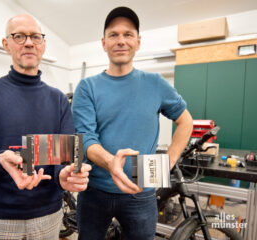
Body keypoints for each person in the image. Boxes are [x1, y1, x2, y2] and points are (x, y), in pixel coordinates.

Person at [0, 14, 91, 240]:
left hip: (48, 217)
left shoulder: (58, 100)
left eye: (35, 37)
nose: (29, 42)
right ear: (6, 44)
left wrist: (65, 176)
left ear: (43, 44)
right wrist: (0, 159)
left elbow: (64, 158)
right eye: (19, 36)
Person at [72, 6, 193, 240]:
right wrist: (111, 163)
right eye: (113, 35)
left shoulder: (155, 83)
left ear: (138, 42)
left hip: (142, 191)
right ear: (103, 42)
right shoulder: (87, 87)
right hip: (95, 190)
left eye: (128, 34)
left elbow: (185, 121)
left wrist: (168, 161)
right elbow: (86, 138)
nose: (121, 41)